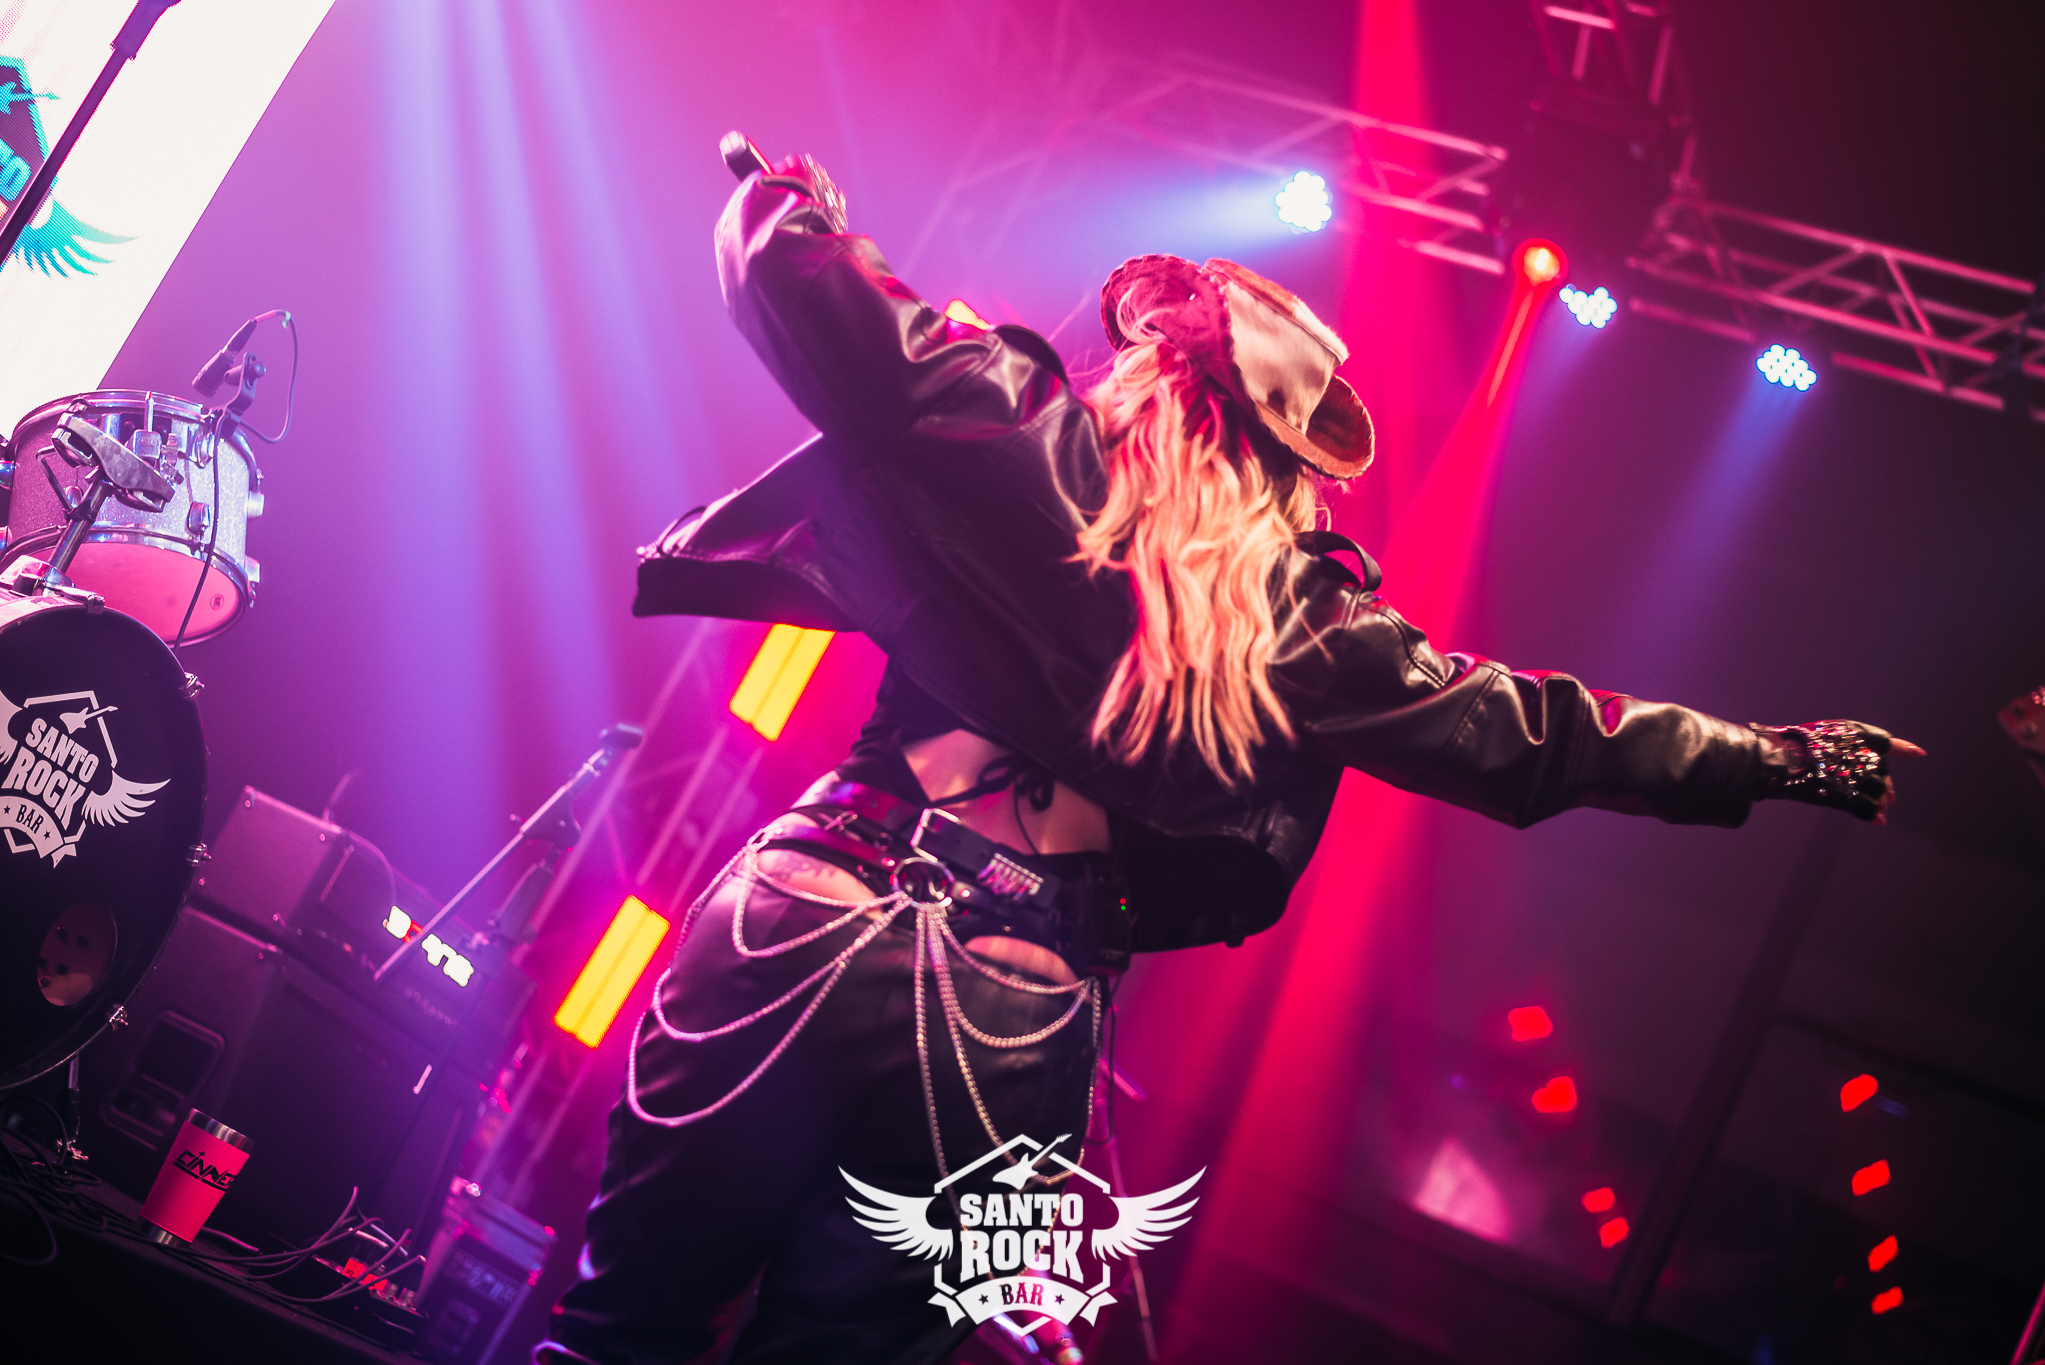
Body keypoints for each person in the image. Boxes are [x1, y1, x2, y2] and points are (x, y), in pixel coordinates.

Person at [538, 154, 1919, 1365]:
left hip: (816, 896)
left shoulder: (1015, 428)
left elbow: (804, 289)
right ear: (1283, 463)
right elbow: (1535, 734)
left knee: (615, 1333)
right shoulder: (1298, 620)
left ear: (1152, 368)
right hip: (1012, 998)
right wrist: (1771, 759)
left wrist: (788, 196)